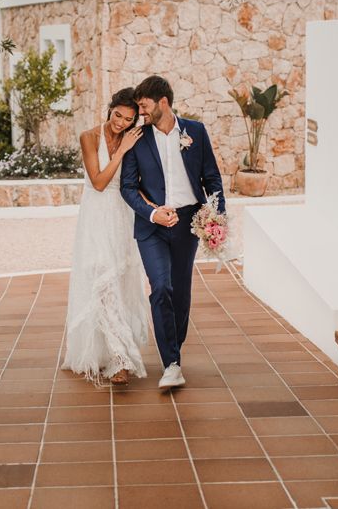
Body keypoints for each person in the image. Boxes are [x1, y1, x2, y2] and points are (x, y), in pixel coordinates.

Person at [120, 75, 225, 390]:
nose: (141, 112)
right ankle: (172, 363)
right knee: (161, 287)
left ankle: (173, 348)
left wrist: (217, 219)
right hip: (152, 225)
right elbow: (128, 187)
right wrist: (153, 213)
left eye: (144, 105)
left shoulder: (195, 132)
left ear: (162, 102)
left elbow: (212, 179)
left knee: (180, 291)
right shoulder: (138, 138)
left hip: (188, 223)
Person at [63, 87, 149, 385]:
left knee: (120, 283)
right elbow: (99, 181)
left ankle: (116, 354)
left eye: (128, 119)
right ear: (109, 109)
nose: (121, 123)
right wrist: (123, 150)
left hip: (122, 217)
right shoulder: (89, 137)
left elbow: (137, 179)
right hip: (96, 215)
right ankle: (121, 358)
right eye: (117, 115)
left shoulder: (134, 138)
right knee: (102, 281)